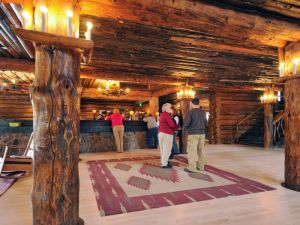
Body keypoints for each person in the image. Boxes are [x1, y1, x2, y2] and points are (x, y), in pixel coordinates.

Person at [183, 98, 207, 173]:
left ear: (192, 104)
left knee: (192, 150)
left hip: (193, 134)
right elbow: (206, 123)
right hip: (202, 134)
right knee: (201, 150)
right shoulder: (203, 113)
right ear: (198, 104)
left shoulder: (191, 112)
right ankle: (201, 167)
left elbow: (186, 124)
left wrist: (185, 128)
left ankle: (192, 168)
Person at [158, 103, 178, 168]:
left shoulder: (161, 115)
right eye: (170, 108)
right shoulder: (167, 115)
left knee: (163, 149)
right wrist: (176, 126)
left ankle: (163, 161)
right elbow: (172, 125)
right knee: (167, 149)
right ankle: (164, 163)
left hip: (161, 133)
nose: (171, 109)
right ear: (165, 108)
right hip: (167, 134)